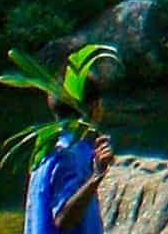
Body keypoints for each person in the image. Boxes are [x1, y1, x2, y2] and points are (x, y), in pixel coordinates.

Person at [24, 72, 113, 234]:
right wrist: (96, 177)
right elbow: (63, 220)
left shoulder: (47, 148)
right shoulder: (72, 154)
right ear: (95, 107)